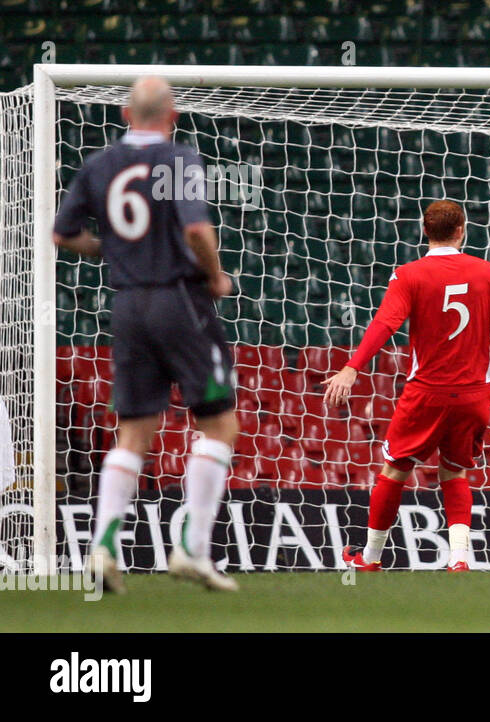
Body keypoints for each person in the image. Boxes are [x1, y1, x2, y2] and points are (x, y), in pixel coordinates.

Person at [53, 76, 240, 592]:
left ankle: (102, 548)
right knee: (221, 424)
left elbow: (62, 234)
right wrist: (215, 276)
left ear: (124, 115)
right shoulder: (178, 159)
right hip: (179, 297)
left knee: (134, 430)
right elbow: (197, 230)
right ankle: (193, 550)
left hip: (128, 304)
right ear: (173, 115)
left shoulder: (97, 164)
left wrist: (109, 250)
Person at [324, 200, 490, 572]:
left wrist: (352, 368)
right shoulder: (486, 272)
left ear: (425, 232)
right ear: (461, 230)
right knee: (455, 470)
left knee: (395, 469)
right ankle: (458, 560)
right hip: (474, 394)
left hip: (426, 392)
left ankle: (371, 558)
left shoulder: (409, 274)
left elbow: (385, 324)